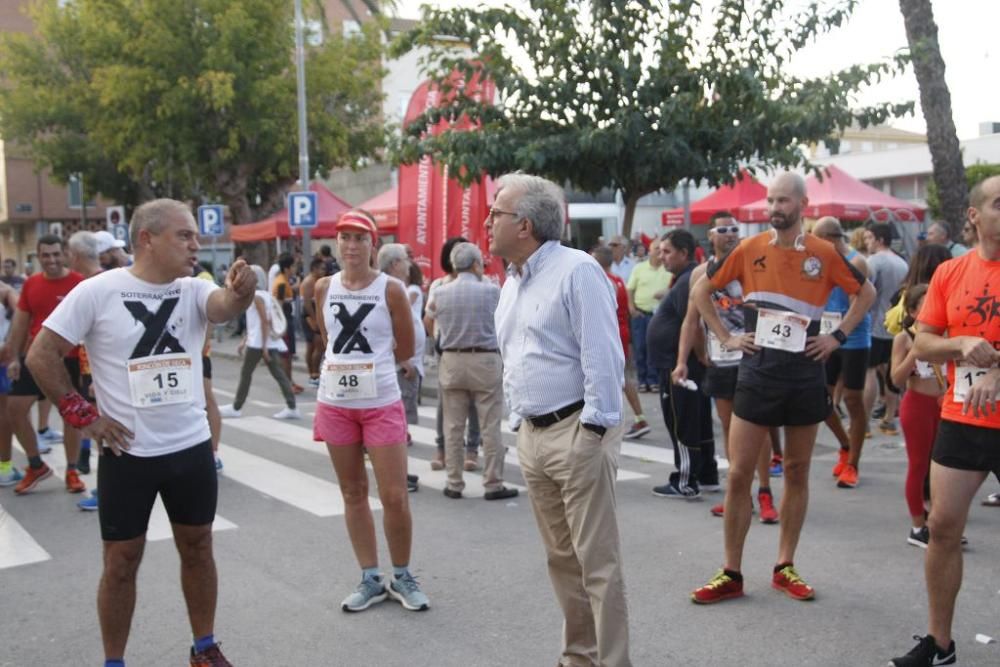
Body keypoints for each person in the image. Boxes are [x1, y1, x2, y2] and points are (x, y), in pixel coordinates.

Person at [26, 198, 255, 666]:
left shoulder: (193, 289)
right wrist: (82, 415)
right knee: (121, 561)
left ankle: (204, 648)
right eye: (184, 235)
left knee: (198, 548)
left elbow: (224, 306)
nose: (195, 244)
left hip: (189, 449)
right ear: (147, 239)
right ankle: (115, 660)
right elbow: (41, 354)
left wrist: (242, 292)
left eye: (195, 235)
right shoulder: (99, 291)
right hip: (128, 453)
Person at [689, 172, 875, 604]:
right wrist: (728, 336)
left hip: (805, 371)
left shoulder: (823, 253)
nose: (775, 207)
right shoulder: (748, 249)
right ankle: (731, 571)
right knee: (738, 474)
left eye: (784, 200)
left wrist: (838, 337)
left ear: (803, 205)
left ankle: (784, 565)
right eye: (771, 200)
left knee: (796, 470)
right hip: (757, 371)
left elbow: (865, 294)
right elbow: (702, 290)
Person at [491, 173, 632, 666]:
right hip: (533, 434)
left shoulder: (577, 270)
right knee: (561, 561)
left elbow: (603, 356)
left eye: (496, 214)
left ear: (524, 225)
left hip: (577, 431)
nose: (488, 222)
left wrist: (593, 430)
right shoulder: (510, 282)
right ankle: (579, 657)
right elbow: (516, 357)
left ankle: (612, 662)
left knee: (597, 565)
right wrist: (518, 422)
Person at [888, 176, 1000, 667]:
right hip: (963, 416)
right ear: (975, 217)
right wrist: (960, 345)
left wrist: (998, 369)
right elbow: (924, 341)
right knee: (943, 526)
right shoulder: (952, 273)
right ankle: (939, 644)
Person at [314, 209, 429, 614]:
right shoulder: (323, 287)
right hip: (336, 403)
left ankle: (401, 574)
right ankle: (369, 577)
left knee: (395, 496)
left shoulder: (391, 289)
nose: (351, 245)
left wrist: (373, 367)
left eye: (360, 238)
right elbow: (327, 337)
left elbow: (405, 346)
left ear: (373, 245)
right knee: (352, 493)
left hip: (380, 401)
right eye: (344, 237)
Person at [672, 212, 778, 522]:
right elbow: (691, 320)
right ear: (711, 236)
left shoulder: (752, 267)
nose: (731, 234)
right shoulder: (700, 275)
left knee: (758, 427)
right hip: (720, 360)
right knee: (731, 428)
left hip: (754, 356)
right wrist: (682, 362)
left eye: (735, 229)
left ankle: (765, 492)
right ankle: (739, 494)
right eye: (724, 229)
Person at [425, 242, 517, 501]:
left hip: (452, 359)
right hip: (485, 359)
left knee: (453, 427)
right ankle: (492, 483)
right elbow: (507, 319)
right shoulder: (491, 291)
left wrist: (444, 337)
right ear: (476, 264)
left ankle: (454, 483)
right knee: (490, 425)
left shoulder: (441, 292)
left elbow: (427, 321)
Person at [2, 234, 87, 495]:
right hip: (34, 357)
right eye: (45, 255)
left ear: (65, 255)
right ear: (38, 257)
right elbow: (21, 322)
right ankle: (35, 465)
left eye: (55, 254)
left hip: (69, 360)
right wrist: (14, 357)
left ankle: (72, 470)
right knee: (15, 410)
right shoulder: (32, 284)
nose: (51, 260)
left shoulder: (79, 283)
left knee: (72, 416)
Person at [647, 229, 717, 499]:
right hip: (682, 363)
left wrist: (696, 357)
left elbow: (695, 324)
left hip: (679, 365)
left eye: (666, 251)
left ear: (683, 253)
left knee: (683, 422)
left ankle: (685, 480)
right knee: (697, 418)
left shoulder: (688, 280)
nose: (661, 256)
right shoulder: (686, 279)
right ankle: (707, 473)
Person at [812, 217, 872, 488]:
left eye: (816, 238)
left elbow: (857, 305)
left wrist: (840, 334)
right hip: (826, 337)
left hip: (853, 339)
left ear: (829, 238)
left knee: (853, 400)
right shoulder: (821, 259)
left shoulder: (855, 261)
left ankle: (853, 463)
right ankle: (845, 444)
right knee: (821, 400)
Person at [889, 284, 945, 548]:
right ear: (912, 311)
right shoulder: (904, 337)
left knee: (943, 468)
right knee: (919, 465)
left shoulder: (945, 334)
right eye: (926, 304)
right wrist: (915, 351)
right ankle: (917, 527)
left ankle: (939, 522)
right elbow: (896, 379)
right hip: (917, 405)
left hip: (944, 406)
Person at [424, 236, 481, 471]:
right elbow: (428, 319)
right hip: (446, 351)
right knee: (444, 402)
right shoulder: (439, 285)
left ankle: (472, 450)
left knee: (475, 403)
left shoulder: (482, 284)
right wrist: (437, 341)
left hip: (475, 349)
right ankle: (442, 449)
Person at [218, 265, 300, 420]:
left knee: (246, 374)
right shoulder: (265, 295)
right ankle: (292, 406)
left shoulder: (256, 297)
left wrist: (263, 348)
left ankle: (236, 407)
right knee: (278, 375)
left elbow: (264, 322)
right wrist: (245, 340)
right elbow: (257, 322)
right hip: (262, 341)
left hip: (259, 343)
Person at [377, 243, 424, 494]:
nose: (410, 264)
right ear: (395, 264)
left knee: (399, 425)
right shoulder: (390, 289)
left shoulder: (395, 288)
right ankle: (397, 476)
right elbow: (387, 330)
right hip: (400, 367)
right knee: (396, 426)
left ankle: (400, 473)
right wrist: (404, 360)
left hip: (403, 365)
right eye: (406, 259)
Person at [591, 245, 650, 439]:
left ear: (596, 261)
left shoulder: (603, 281)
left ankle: (637, 418)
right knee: (622, 378)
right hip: (620, 331)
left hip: (611, 334)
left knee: (617, 378)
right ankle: (638, 417)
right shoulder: (617, 280)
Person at [64, 231, 104, 510]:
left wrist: (97, 378)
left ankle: (108, 492)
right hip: (91, 369)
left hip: (100, 372)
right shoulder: (95, 282)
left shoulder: (94, 285)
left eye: (67, 253)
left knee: (106, 431)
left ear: (76, 256)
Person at [863, 223, 908, 436]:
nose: (866, 242)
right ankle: (889, 418)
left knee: (869, 372)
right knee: (892, 374)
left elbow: (864, 293)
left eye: (869, 238)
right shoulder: (902, 262)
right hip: (896, 325)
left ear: (880, 239)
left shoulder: (873, 262)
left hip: (874, 325)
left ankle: (863, 423)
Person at [626, 236, 673, 392]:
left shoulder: (668, 268)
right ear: (650, 251)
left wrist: (667, 292)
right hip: (641, 314)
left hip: (661, 316)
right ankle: (642, 379)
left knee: (656, 348)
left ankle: (653, 380)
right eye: (656, 249)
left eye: (662, 249)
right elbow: (629, 289)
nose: (659, 252)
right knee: (640, 348)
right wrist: (631, 308)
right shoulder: (639, 268)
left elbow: (675, 287)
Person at [0, 263, 21, 487]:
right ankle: (4, 469)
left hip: (1, 359)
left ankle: (4, 468)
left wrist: (10, 344)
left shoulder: (5, 291)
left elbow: (21, 312)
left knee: (3, 415)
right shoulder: (6, 291)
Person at [271, 254, 302, 394]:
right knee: (286, 355)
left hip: (286, 320)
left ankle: (290, 381)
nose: (295, 268)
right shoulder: (282, 283)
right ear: (287, 268)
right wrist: (281, 327)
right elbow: (279, 304)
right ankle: (287, 384)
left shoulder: (283, 280)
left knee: (288, 354)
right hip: (284, 322)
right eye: (294, 266)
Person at [300, 257, 326, 386]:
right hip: (310, 316)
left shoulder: (317, 280)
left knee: (314, 346)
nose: (323, 271)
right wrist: (315, 320)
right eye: (321, 269)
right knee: (317, 346)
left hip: (315, 314)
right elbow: (307, 304)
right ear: (314, 269)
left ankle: (314, 374)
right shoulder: (309, 282)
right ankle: (313, 374)